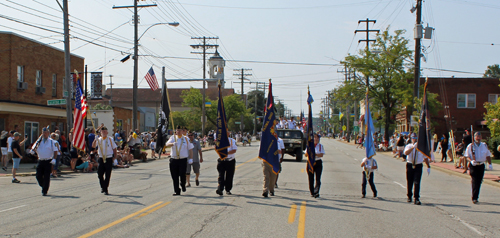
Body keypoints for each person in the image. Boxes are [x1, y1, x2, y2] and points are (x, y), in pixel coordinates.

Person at [464, 132, 493, 204]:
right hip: (474, 165)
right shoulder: (470, 146)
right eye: (477, 136)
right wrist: (471, 161)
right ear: (474, 137)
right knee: (474, 180)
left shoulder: (484, 145)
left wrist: (490, 164)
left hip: (481, 165)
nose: (478, 138)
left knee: (479, 181)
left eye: (479, 136)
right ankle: (474, 198)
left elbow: (488, 155)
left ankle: (476, 196)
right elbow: (467, 156)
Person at [404, 133, 431, 205]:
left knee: (417, 182)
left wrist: (428, 166)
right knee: (409, 182)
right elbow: (406, 153)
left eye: (416, 138)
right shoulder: (408, 146)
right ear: (411, 138)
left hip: (418, 165)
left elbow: (425, 158)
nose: (414, 139)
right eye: (413, 138)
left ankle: (416, 198)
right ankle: (409, 196)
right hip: (410, 164)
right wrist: (413, 148)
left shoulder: (421, 148)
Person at [165, 126, 193, 196]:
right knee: (174, 176)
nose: (178, 132)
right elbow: (166, 144)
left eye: (180, 130)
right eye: (177, 130)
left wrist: (191, 158)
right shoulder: (173, 138)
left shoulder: (186, 139)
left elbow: (190, 149)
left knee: (182, 174)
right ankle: (177, 190)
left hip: (182, 160)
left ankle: (183, 184)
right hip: (174, 159)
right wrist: (172, 144)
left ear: (183, 131)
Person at [92, 127, 117, 195]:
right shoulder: (99, 140)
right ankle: (103, 186)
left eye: (105, 131)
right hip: (101, 158)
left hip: (108, 158)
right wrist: (95, 140)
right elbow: (93, 146)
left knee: (107, 174)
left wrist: (115, 156)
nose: (104, 133)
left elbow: (114, 148)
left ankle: (105, 188)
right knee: (100, 174)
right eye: (102, 132)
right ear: (101, 133)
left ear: (107, 132)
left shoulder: (110, 139)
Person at [33, 128, 58, 195]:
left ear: (48, 133)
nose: (44, 134)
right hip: (40, 160)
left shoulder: (52, 141)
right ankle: (43, 185)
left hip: (48, 161)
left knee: (47, 176)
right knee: (38, 175)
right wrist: (33, 151)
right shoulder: (39, 141)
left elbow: (55, 151)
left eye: (46, 132)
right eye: (43, 132)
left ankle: (44, 190)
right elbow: (34, 148)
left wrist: (54, 159)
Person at [216, 131, 237, 196]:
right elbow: (217, 149)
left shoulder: (232, 141)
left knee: (229, 176)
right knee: (221, 175)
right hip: (222, 160)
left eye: (227, 132)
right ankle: (220, 189)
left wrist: (226, 153)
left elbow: (234, 150)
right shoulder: (219, 141)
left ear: (229, 133)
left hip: (230, 161)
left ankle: (228, 189)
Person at [305, 133, 325, 198]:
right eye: (315, 138)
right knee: (311, 178)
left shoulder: (320, 146)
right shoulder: (310, 145)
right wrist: (309, 154)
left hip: (318, 162)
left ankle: (316, 191)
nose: (316, 139)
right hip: (311, 162)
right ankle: (312, 191)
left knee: (318, 178)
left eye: (317, 138)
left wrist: (315, 154)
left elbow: (321, 154)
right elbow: (305, 154)